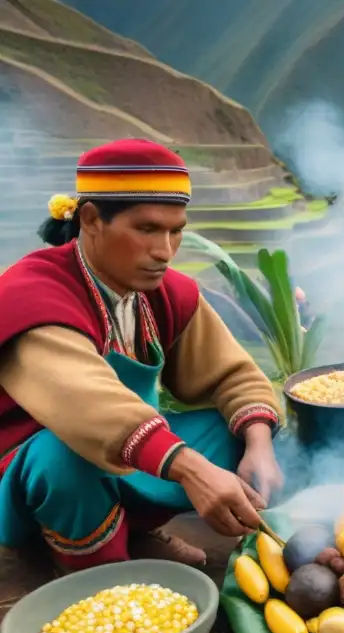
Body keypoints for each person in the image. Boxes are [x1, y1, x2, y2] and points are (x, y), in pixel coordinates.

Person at [0, 139, 285, 572]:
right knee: (64, 458)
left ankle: (129, 530)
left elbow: (232, 376)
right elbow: (89, 406)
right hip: (31, 477)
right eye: (147, 229)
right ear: (91, 220)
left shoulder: (165, 292)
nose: (165, 251)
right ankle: (104, 572)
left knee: (232, 430)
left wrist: (258, 446)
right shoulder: (31, 296)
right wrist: (191, 470)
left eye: (176, 231)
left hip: (132, 454)